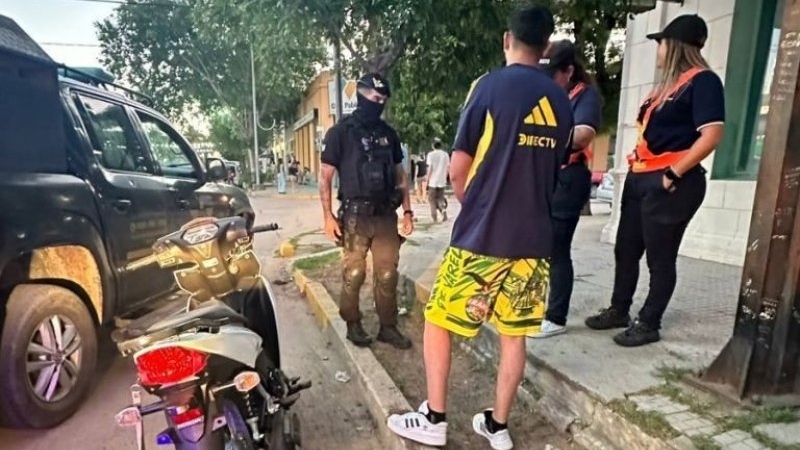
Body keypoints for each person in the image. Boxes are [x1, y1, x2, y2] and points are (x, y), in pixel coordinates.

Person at [387, 6, 573, 449]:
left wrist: (476, 208)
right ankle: (498, 426)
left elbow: (458, 169)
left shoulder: (488, 87)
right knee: (514, 335)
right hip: (534, 243)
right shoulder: (561, 101)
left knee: (438, 320)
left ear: (508, 39)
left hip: (483, 237)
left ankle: (434, 418)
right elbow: (555, 167)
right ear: (546, 46)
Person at [585, 14, 725, 347]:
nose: (657, 50)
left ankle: (649, 322)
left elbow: (712, 135)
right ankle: (619, 309)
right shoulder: (665, 88)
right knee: (626, 249)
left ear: (673, 46)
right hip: (641, 178)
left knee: (660, 258)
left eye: (660, 44)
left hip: (672, 182)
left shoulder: (703, 81)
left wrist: (674, 173)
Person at [318, 72, 415, 350]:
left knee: (387, 274)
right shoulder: (340, 133)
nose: (379, 103)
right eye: (374, 97)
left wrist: (408, 212)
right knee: (354, 273)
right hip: (355, 217)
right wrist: (327, 217)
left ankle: (388, 327)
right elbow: (325, 177)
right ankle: (353, 323)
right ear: (360, 95)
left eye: (383, 99)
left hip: (385, 217)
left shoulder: (388, 134)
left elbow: (401, 176)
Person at [529, 40, 603, 338]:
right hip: (545, 178)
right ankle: (533, 306)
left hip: (568, 179)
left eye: (554, 75)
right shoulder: (550, 95)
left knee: (557, 248)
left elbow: (583, 135)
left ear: (569, 71)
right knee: (537, 245)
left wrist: (543, 136)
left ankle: (556, 317)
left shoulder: (585, 96)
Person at [425, 138, 450, 222]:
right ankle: (443, 210)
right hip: (442, 180)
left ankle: (434, 217)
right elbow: (448, 168)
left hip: (433, 181)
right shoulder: (445, 155)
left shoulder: (430, 155)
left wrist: (427, 179)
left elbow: (430, 168)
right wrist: (445, 177)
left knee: (432, 200)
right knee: (440, 198)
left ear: (433, 145)